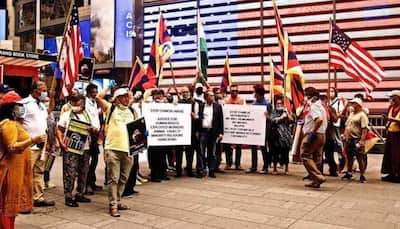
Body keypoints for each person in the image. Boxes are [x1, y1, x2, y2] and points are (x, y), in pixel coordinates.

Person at [0, 91, 46, 228]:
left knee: (10, 207)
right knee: (6, 206)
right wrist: (33, 140)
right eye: (18, 106)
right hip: (9, 171)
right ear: (11, 108)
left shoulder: (15, 123)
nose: (21, 108)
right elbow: (12, 147)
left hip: (15, 170)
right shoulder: (8, 124)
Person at [96, 86, 137, 217]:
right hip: (113, 149)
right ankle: (113, 205)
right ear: (118, 99)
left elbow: (137, 128)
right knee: (113, 178)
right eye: (124, 96)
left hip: (128, 150)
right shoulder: (111, 108)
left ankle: (118, 201)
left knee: (123, 179)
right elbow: (98, 98)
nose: (127, 98)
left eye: (127, 96)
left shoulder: (132, 111)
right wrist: (108, 86)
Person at [21, 81, 55, 207]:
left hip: (42, 145)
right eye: (43, 90)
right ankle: (23, 200)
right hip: (30, 146)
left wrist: (52, 96)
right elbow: (18, 122)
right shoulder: (24, 104)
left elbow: (48, 114)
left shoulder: (41, 105)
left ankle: (38, 198)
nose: (45, 92)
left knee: (39, 172)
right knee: (26, 173)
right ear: (36, 90)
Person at [56, 94, 94, 207]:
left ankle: (80, 193)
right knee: (70, 172)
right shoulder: (66, 115)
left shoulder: (89, 115)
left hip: (85, 148)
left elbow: (96, 129)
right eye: (73, 103)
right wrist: (61, 142)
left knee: (84, 172)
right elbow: (59, 129)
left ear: (83, 103)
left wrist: (93, 130)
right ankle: (68, 196)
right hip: (70, 148)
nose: (75, 105)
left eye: (77, 103)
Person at [301, 87, 328, 188]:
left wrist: (311, 133)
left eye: (306, 95)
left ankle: (318, 176)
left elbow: (319, 120)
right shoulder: (321, 106)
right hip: (321, 134)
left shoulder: (314, 107)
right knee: (316, 157)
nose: (305, 98)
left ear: (313, 97)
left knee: (305, 155)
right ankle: (315, 181)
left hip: (314, 135)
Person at [194, 90, 224, 178]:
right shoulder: (201, 106)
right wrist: (197, 131)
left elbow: (220, 120)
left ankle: (211, 171)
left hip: (213, 132)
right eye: (210, 96)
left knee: (212, 153)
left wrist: (221, 133)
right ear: (206, 97)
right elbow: (198, 118)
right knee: (200, 152)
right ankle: (200, 170)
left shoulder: (218, 106)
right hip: (203, 131)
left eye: (213, 96)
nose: (212, 97)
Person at [246, 85, 272, 174]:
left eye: (255, 93)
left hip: (264, 129)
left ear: (259, 94)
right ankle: (253, 166)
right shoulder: (254, 103)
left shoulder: (267, 104)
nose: (254, 95)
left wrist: (267, 117)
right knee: (253, 147)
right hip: (255, 128)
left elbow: (271, 118)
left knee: (263, 148)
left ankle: (265, 167)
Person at [342, 98, 368, 183]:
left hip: (357, 138)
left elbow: (364, 129)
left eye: (353, 103)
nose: (351, 105)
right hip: (349, 138)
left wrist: (362, 140)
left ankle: (362, 174)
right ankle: (349, 172)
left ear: (357, 105)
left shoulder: (362, 115)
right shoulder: (351, 114)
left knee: (359, 157)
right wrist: (345, 135)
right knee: (349, 156)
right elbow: (347, 125)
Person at [147, 88, 170, 182]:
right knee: (154, 156)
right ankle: (154, 175)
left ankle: (163, 173)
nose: (159, 96)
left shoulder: (165, 105)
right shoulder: (149, 105)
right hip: (153, 133)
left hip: (163, 134)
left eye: (160, 94)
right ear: (153, 96)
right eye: (156, 94)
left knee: (162, 155)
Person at [84, 84, 103, 195]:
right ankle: (86, 184)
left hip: (95, 134)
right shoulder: (85, 103)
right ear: (88, 93)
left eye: (96, 92)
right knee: (87, 161)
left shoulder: (95, 103)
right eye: (92, 92)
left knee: (95, 159)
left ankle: (92, 182)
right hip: (88, 134)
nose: (95, 94)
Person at [175, 86, 196, 177]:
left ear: (189, 93)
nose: (185, 93)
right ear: (181, 94)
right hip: (179, 130)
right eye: (183, 92)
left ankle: (189, 170)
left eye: (186, 92)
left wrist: (194, 117)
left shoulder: (194, 103)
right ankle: (178, 171)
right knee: (178, 152)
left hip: (190, 131)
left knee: (190, 152)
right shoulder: (177, 103)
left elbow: (198, 117)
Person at [269, 96, 292, 175]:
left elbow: (292, 120)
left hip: (285, 136)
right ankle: (275, 168)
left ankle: (286, 168)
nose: (279, 105)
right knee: (275, 152)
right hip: (277, 135)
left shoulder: (285, 111)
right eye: (277, 103)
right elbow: (272, 120)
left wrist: (287, 114)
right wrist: (281, 118)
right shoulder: (274, 112)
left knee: (285, 153)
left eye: (280, 103)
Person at [223, 85, 244, 170]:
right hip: (229, 126)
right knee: (227, 146)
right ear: (230, 92)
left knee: (238, 146)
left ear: (238, 91)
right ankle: (228, 163)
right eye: (232, 91)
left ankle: (238, 164)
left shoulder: (242, 100)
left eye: (236, 91)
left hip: (238, 126)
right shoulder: (226, 100)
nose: (234, 92)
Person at [381, 90, 400, 182]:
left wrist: (391, 119)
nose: (391, 99)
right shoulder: (391, 108)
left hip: (398, 134)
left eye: (393, 97)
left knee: (397, 154)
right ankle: (391, 173)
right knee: (389, 154)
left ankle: (398, 174)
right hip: (391, 133)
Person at [43, 97, 59, 189]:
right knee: (43, 163)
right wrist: (47, 143)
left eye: (48, 101)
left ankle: (47, 180)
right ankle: (42, 181)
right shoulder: (42, 114)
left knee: (50, 161)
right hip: (45, 142)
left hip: (52, 141)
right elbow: (44, 129)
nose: (47, 103)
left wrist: (56, 141)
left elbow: (54, 127)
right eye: (45, 101)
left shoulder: (51, 114)